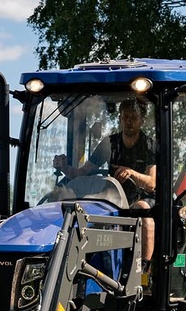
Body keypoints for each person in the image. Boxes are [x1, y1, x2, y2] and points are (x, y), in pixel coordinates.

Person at [53, 99, 156, 267]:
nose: (129, 121)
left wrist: (131, 173)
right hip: (113, 198)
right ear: (120, 119)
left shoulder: (149, 145)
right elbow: (80, 173)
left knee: (144, 211)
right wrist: (64, 166)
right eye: (125, 117)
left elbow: (152, 183)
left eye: (134, 117)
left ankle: (143, 268)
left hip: (141, 198)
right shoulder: (109, 144)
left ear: (141, 120)